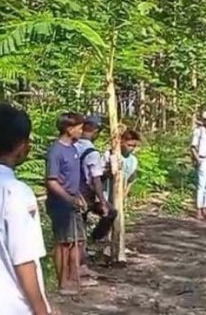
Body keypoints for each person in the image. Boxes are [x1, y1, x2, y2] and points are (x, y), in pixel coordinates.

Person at [0, 104, 51, 315]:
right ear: (21, 147)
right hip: (11, 306)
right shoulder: (16, 193)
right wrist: (42, 311)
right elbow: (24, 262)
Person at [46, 112, 98, 294]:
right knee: (63, 243)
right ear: (69, 129)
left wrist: (79, 197)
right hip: (60, 204)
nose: (82, 131)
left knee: (77, 241)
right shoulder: (56, 151)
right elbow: (52, 181)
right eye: (79, 127)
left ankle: (74, 278)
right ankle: (63, 282)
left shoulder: (73, 149)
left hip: (74, 203)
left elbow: (74, 179)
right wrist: (68, 198)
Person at [75, 115, 118, 243]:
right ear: (96, 132)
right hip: (86, 195)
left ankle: (83, 247)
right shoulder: (92, 153)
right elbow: (95, 180)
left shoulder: (72, 146)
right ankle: (94, 239)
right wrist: (103, 202)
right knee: (111, 213)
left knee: (78, 228)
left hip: (71, 192)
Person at [103, 129, 141, 202]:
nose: (131, 148)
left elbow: (130, 179)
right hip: (106, 195)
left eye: (134, 146)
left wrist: (124, 194)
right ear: (121, 142)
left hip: (119, 197)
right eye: (129, 145)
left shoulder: (133, 160)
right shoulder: (109, 155)